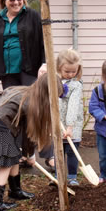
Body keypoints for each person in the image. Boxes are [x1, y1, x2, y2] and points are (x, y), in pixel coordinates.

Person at [0, 73, 64, 211]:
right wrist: (30, 156)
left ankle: (15, 191)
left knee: (14, 156)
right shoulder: (32, 104)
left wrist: (27, 154)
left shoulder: (25, 91)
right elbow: (30, 135)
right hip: (0, 126)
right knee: (7, 163)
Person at [0, 0, 46, 167]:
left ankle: (30, 151)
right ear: (4, 1)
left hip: (28, 70)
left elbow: (44, 40)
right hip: (7, 73)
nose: (16, 2)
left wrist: (44, 63)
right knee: (13, 114)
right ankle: (17, 152)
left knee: (30, 111)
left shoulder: (32, 16)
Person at [39, 49, 84, 186]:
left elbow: (73, 106)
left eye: (73, 71)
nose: (70, 74)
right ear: (59, 68)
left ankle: (71, 177)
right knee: (58, 151)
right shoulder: (54, 83)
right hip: (57, 125)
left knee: (71, 152)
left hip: (72, 126)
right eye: (67, 71)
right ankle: (59, 176)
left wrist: (70, 127)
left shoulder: (76, 86)